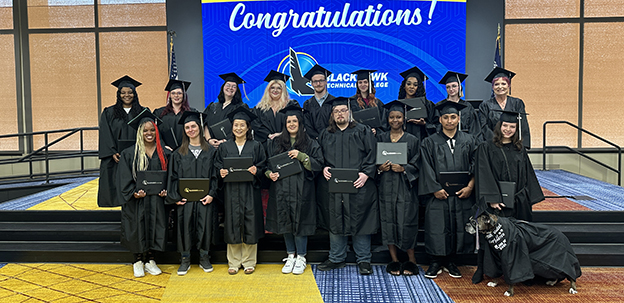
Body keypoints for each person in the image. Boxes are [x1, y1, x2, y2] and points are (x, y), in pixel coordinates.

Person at [471, 109, 545, 284]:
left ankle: (519, 272)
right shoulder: (486, 147)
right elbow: (484, 172)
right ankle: (489, 271)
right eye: (505, 125)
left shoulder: (519, 149)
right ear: (499, 126)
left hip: (517, 202)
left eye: (512, 127)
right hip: (496, 203)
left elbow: (528, 175)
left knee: (518, 237)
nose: (508, 129)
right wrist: (492, 198)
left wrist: (526, 197)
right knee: (495, 237)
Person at [316, 97, 378, 275]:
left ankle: (364, 260)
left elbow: (372, 153)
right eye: (336, 111)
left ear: (350, 113)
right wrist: (324, 167)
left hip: (359, 185)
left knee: (360, 218)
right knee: (336, 219)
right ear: (332, 114)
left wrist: (366, 173)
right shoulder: (325, 134)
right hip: (334, 186)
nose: (340, 114)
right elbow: (318, 155)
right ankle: (336, 258)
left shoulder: (363, 130)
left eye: (343, 111)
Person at [419, 101, 478, 279]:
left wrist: (470, 186)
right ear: (440, 120)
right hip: (438, 196)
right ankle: (435, 261)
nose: (450, 121)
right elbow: (426, 167)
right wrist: (435, 189)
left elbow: (477, 165)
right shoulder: (429, 142)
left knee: (457, 225)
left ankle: (451, 261)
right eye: (446, 117)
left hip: (462, 195)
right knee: (437, 226)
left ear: (458, 119)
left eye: (453, 117)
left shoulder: (469, 140)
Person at [265, 102, 324, 275]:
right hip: (281, 188)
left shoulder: (310, 143)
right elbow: (266, 164)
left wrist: (302, 156)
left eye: (294, 122)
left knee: (300, 221)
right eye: (288, 121)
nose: (291, 124)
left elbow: (319, 164)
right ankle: (290, 255)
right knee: (285, 221)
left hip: (302, 189)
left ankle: (302, 257)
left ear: (300, 123)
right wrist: (270, 174)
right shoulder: (276, 143)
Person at [117, 109, 169, 278]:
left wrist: (166, 191)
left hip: (156, 201)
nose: (149, 133)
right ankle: (137, 261)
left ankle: (151, 260)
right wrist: (133, 192)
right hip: (137, 201)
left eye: (152, 130)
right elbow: (123, 177)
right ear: (140, 132)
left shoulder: (165, 153)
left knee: (155, 227)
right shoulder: (129, 153)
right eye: (145, 130)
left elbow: (171, 177)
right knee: (137, 228)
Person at [166, 111, 219, 276]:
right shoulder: (178, 154)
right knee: (184, 226)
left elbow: (216, 175)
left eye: (193, 126)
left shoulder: (211, 151)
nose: (191, 130)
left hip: (205, 199)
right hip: (185, 200)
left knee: (205, 225)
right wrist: (175, 197)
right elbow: (172, 178)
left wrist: (211, 193)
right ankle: (185, 259)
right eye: (187, 127)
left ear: (200, 128)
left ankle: (204, 256)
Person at [215, 107, 266, 275]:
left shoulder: (256, 145)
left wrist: (256, 170)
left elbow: (263, 165)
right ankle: (234, 261)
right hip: (231, 191)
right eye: (236, 125)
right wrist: (221, 172)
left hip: (250, 191)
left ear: (248, 127)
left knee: (250, 223)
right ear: (232, 127)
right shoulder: (224, 146)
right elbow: (217, 165)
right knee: (232, 223)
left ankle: (249, 261)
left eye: (242, 125)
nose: (238, 128)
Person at [377, 100, 421, 276]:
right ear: (387, 119)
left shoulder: (413, 140)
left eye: (398, 117)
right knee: (388, 222)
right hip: (386, 186)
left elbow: (418, 163)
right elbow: (373, 162)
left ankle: (411, 260)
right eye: (392, 117)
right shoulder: (380, 138)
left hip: (405, 188)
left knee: (407, 222)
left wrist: (404, 169)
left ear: (404, 118)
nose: (395, 120)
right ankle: (394, 260)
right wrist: (380, 168)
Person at [98, 75, 145, 207]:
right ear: (118, 94)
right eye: (123, 92)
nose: (127, 95)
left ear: (134, 94)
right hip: (115, 155)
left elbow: (147, 133)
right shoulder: (109, 112)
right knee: (113, 176)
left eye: (130, 92)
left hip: (136, 153)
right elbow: (105, 133)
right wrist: (112, 152)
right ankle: (114, 201)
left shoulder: (142, 112)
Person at [479, 67, 531, 149]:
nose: (500, 87)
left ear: (508, 86)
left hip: (514, 145)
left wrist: (522, 145)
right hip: (493, 145)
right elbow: (483, 126)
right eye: (496, 84)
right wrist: (496, 141)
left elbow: (523, 125)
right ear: (492, 87)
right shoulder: (486, 105)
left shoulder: (517, 103)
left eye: (503, 84)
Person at [203, 72, 250, 148]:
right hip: (211, 147)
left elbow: (244, 128)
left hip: (231, 146)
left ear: (236, 90)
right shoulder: (212, 107)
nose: (230, 88)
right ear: (223, 87)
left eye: (234, 86)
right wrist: (209, 140)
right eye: (228, 85)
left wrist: (225, 141)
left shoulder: (241, 107)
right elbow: (205, 124)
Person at [434, 71, 481, 139]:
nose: (451, 89)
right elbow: (436, 126)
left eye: (454, 86)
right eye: (448, 87)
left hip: (465, 141)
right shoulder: (440, 106)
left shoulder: (467, 106)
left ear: (459, 87)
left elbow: (474, 128)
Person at [153, 79, 195, 151]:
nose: (176, 96)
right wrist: (163, 146)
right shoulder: (159, 113)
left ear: (184, 95)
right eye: (173, 93)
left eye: (179, 93)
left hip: (186, 151)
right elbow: (155, 131)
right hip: (165, 151)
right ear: (169, 96)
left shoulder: (191, 113)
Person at [398, 66, 437, 142]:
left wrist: (425, 124)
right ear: (404, 86)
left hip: (421, 141)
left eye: (415, 85)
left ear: (419, 87)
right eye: (408, 84)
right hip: (402, 142)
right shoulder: (398, 104)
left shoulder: (427, 104)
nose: (411, 87)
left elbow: (437, 125)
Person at [252, 70, 291, 146]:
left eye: (279, 88)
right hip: (265, 145)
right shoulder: (260, 108)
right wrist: (268, 135)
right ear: (268, 90)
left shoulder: (290, 105)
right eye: (272, 87)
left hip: (286, 143)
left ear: (283, 90)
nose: (275, 90)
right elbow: (256, 125)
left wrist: (282, 134)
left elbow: (297, 123)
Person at [302, 64, 336, 140]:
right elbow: (307, 125)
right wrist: (317, 137)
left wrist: (327, 136)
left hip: (332, 140)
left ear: (326, 82)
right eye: (315, 81)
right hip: (313, 143)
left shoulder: (334, 102)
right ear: (312, 84)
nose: (318, 84)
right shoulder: (307, 104)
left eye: (321, 80)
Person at [349, 69, 387, 134]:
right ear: (357, 85)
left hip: (374, 137)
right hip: (358, 136)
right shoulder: (352, 102)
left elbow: (384, 123)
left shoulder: (378, 103)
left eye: (365, 82)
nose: (363, 85)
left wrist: (377, 131)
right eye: (360, 82)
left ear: (369, 83)